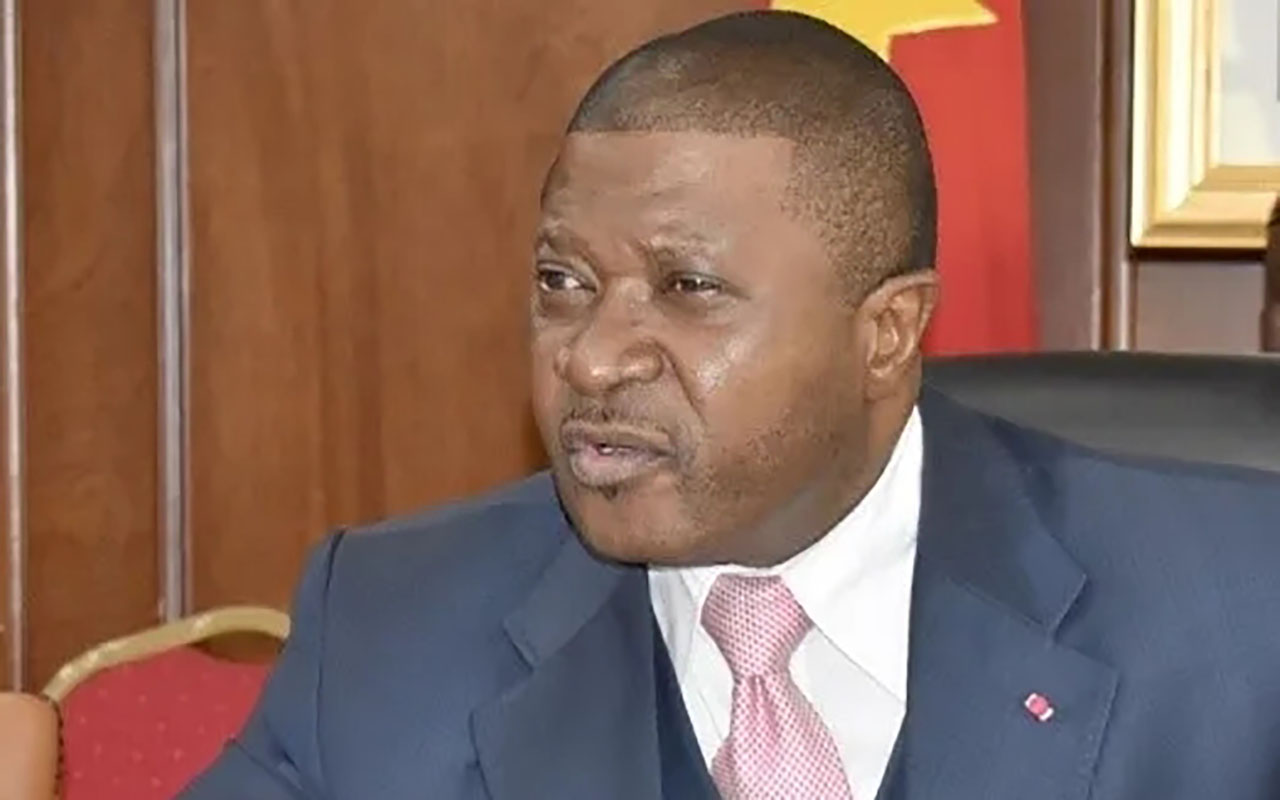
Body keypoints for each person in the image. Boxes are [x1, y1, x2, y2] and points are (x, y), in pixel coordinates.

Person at [181, 11, 1280, 800]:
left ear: (887, 332)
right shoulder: (393, 627)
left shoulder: (1237, 609)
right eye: (563, 282)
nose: (592, 359)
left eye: (687, 288)